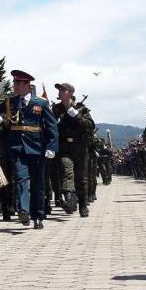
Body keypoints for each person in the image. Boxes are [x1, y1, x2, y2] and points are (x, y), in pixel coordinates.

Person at [0, 71, 57, 228]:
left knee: (38, 183)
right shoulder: (11, 102)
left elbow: (51, 127)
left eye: (17, 83)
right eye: (14, 82)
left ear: (26, 85)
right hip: (17, 148)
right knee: (21, 178)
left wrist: (52, 146)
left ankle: (38, 215)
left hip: (37, 148)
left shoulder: (41, 103)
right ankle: (24, 211)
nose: (14, 86)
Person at [51, 83, 94, 217]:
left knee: (81, 179)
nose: (59, 92)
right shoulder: (56, 109)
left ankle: (83, 205)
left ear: (69, 93)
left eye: (62, 90)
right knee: (66, 171)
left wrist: (77, 116)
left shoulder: (81, 109)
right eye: (59, 90)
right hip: (64, 147)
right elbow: (49, 126)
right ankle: (70, 200)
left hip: (80, 146)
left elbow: (90, 126)